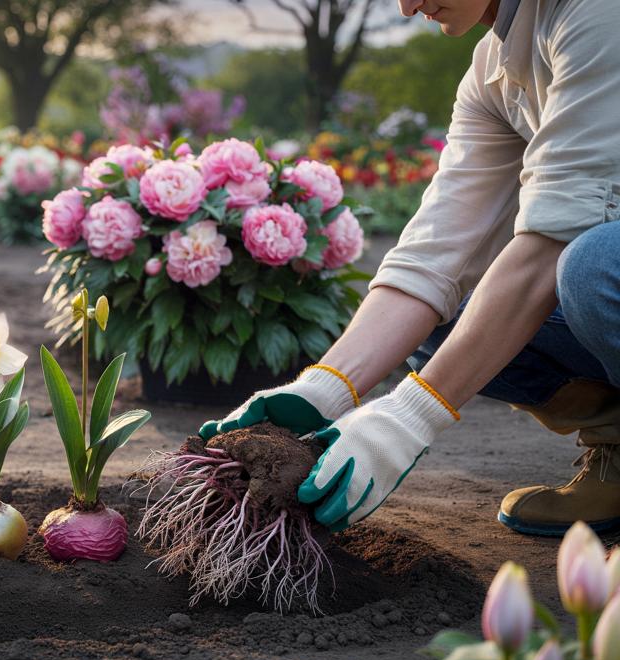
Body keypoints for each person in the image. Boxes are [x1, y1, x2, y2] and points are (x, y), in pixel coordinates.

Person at [202, 0, 620, 537]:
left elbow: (548, 248)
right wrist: (323, 389)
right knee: (448, 323)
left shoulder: (597, 14)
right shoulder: (493, 69)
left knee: (595, 268)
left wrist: (409, 416)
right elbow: (435, 256)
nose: (406, 5)